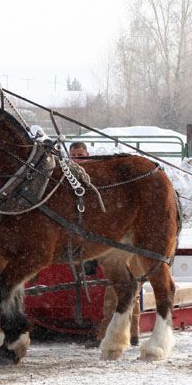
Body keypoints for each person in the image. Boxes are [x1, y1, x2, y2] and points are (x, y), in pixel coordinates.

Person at [69, 141, 142, 348]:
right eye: (73, 155)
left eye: (81, 155)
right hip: (94, 239)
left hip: (118, 238)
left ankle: (111, 334)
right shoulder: (69, 178)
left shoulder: (98, 178)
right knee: (125, 287)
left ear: (88, 155)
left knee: (123, 287)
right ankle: (126, 332)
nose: (77, 160)